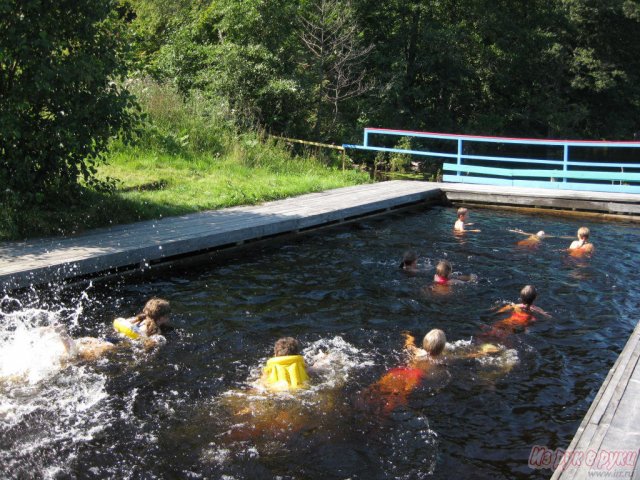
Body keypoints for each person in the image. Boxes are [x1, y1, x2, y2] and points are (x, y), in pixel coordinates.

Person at [360, 329, 447, 415]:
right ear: (442, 348)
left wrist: (409, 336)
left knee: (379, 386)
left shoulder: (418, 352)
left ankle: (362, 398)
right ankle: (383, 415)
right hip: (414, 377)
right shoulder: (441, 360)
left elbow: (409, 345)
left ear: (425, 343)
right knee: (396, 398)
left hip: (402, 371)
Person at [482, 285, 550, 339]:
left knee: (491, 332)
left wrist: (494, 309)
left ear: (521, 297)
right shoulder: (536, 309)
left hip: (508, 321)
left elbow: (502, 309)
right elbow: (547, 316)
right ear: (535, 298)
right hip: (517, 325)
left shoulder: (516, 306)